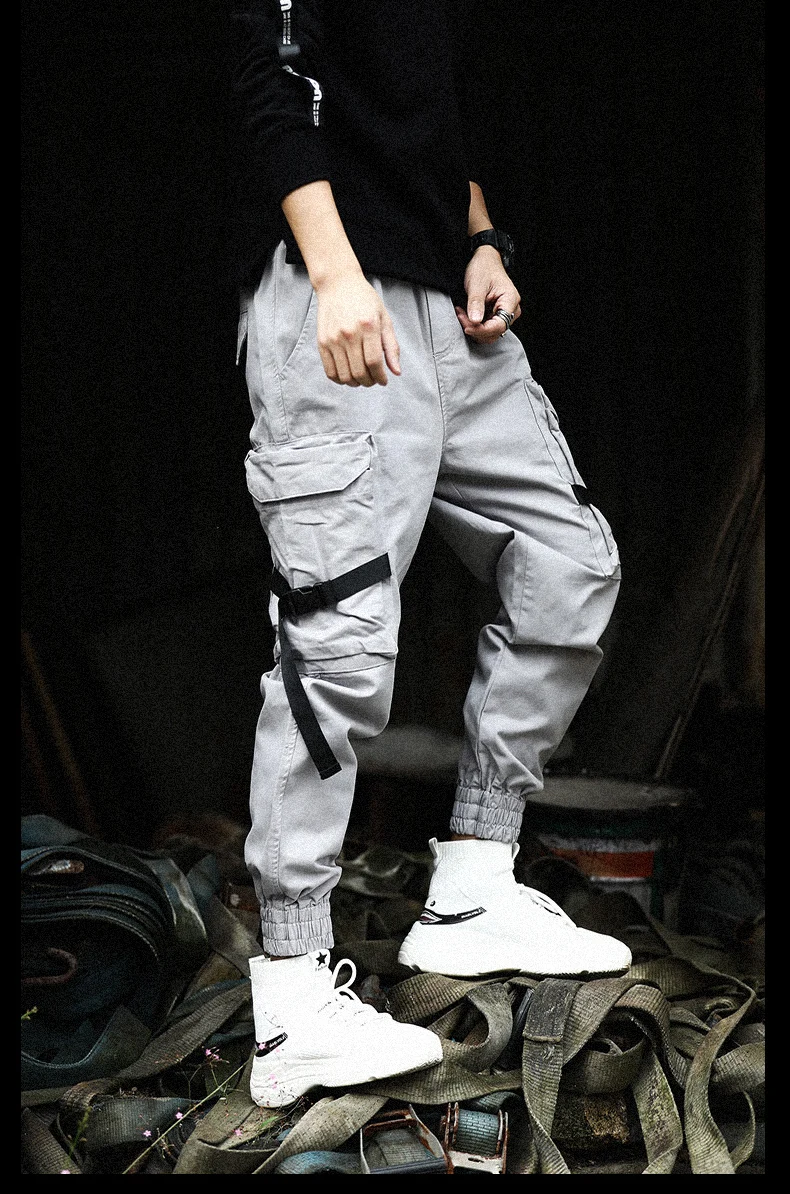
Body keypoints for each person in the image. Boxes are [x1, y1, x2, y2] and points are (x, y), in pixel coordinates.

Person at [230, 0, 630, 1109]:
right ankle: (293, 997)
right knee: (341, 643)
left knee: (569, 562)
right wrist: (334, 276)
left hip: (451, 308)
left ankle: (473, 885)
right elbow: (270, 81)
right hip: (341, 299)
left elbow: (433, 117)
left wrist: (482, 237)